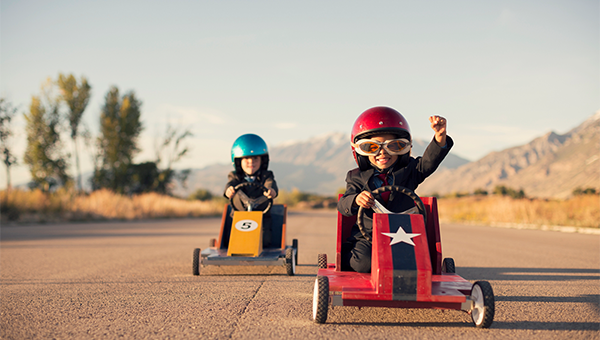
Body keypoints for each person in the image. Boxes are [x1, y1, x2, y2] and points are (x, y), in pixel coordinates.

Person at [337, 106, 453, 273]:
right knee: (363, 263)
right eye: (372, 147)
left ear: (404, 148)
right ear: (360, 151)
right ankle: (349, 258)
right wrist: (356, 199)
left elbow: (428, 162)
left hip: (405, 235)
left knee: (417, 263)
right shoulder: (355, 177)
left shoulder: (410, 171)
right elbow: (343, 204)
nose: (382, 153)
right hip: (368, 237)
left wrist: (440, 137)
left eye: (394, 146)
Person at [224, 133, 278, 248]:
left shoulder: (266, 176)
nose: (251, 162)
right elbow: (230, 184)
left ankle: (262, 247)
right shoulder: (235, 177)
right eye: (246, 158)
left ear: (262, 160)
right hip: (239, 216)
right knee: (231, 238)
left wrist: (271, 190)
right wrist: (228, 190)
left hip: (261, 216)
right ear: (238, 162)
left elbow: (271, 184)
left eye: (255, 158)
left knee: (266, 239)